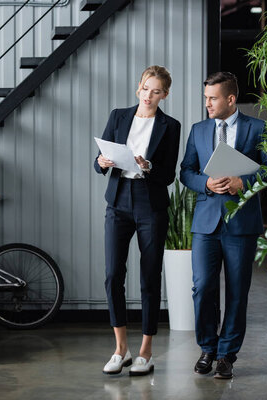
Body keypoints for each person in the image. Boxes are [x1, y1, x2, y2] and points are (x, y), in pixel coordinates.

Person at [180, 72, 267, 379]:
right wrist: (207, 183)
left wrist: (244, 181)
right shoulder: (198, 130)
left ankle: (226, 355)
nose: (207, 104)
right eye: (206, 98)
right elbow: (185, 171)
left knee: (238, 292)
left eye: (212, 98)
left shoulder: (259, 128)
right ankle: (207, 348)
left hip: (242, 224)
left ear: (231, 99)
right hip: (205, 224)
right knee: (202, 288)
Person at [94, 65, 181, 376]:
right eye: (146, 88)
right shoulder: (118, 116)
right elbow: (99, 160)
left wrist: (147, 166)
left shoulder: (170, 126)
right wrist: (102, 161)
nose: (149, 95)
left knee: (149, 277)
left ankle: (146, 351)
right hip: (117, 202)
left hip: (150, 203)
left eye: (156, 91)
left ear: (165, 95)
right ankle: (121, 349)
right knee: (112, 274)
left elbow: (169, 174)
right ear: (138, 88)